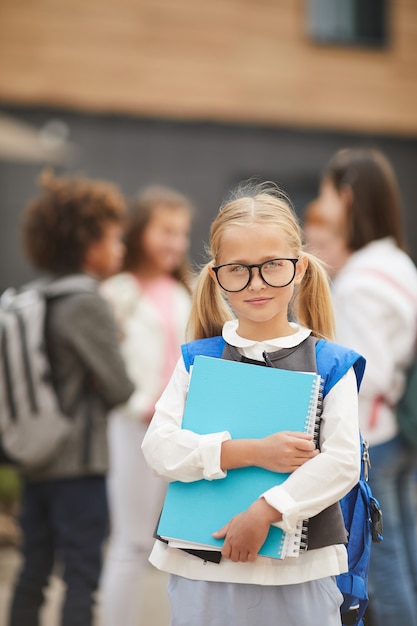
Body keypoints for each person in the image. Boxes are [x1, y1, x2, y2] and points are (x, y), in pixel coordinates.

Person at [141, 183, 364, 626]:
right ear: (217, 277)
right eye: (238, 269)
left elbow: (342, 463)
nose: (256, 283)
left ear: (299, 269)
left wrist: (266, 511)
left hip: (300, 571)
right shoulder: (197, 359)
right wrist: (252, 452)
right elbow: (158, 448)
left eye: (272, 266)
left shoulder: (331, 362)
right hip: (201, 562)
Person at [8, 172, 135, 626]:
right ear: (88, 244)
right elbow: (121, 388)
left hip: (34, 454)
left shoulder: (36, 295)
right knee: (83, 575)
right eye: (114, 238)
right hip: (78, 465)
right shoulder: (87, 302)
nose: (120, 249)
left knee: (34, 569)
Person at [304, 147, 417, 626]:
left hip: (374, 439)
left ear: (346, 196)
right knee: (404, 554)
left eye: (327, 192)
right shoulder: (395, 261)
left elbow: (368, 373)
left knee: (379, 569)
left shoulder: (361, 279)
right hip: (396, 434)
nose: (322, 203)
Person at [100, 185, 193, 626]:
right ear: (141, 233)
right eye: (166, 231)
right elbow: (102, 365)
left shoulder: (186, 292)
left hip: (184, 432)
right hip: (134, 428)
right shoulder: (117, 292)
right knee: (132, 542)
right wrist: (137, 405)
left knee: (184, 544)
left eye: (181, 233)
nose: (175, 242)